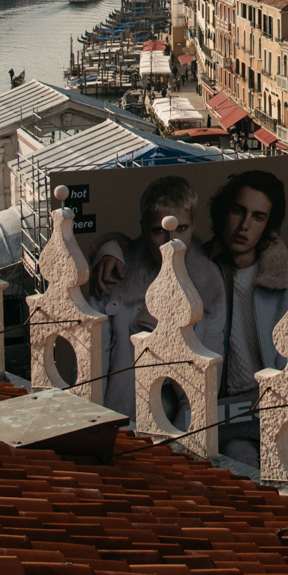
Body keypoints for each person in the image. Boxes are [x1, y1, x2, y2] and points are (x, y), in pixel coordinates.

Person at [201, 169, 288, 467]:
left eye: (258, 217)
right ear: (224, 210)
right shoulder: (199, 268)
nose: (244, 225)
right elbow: (143, 241)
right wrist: (109, 248)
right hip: (224, 409)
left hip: (281, 403)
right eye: (238, 211)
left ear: (269, 225)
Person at [87, 174, 224, 421]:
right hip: (116, 424)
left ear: (194, 224)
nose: (170, 242)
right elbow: (90, 367)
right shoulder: (113, 276)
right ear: (143, 229)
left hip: (172, 436)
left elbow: (207, 383)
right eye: (158, 231)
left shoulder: (211, 287)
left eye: (180, 229)